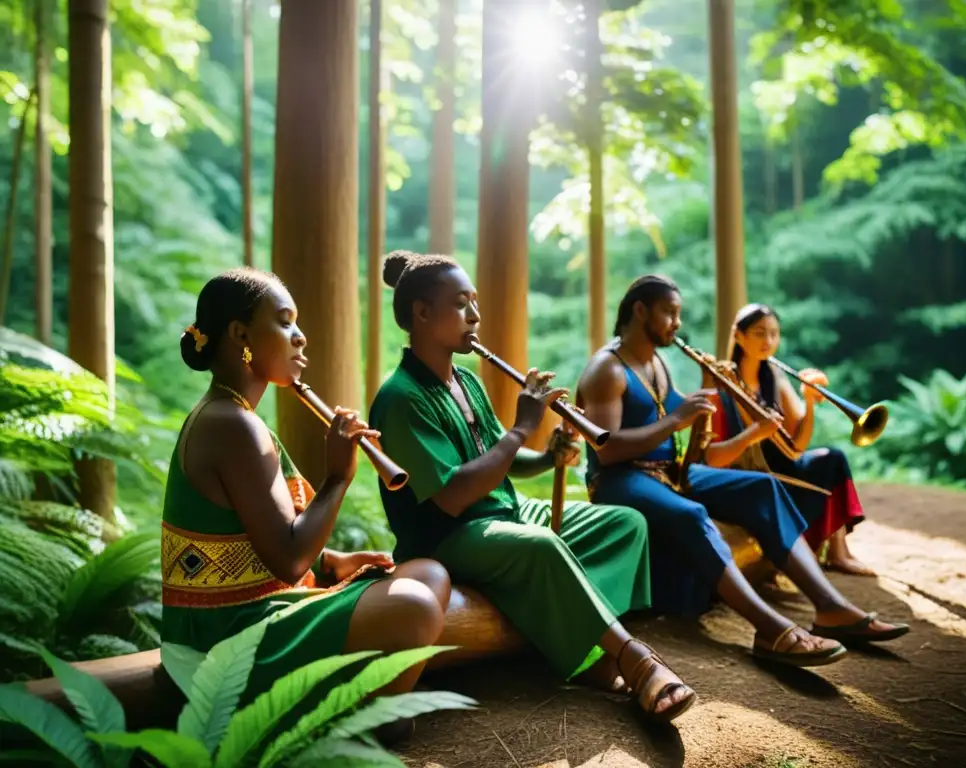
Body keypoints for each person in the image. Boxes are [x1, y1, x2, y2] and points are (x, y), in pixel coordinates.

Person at [368, 251, 696, 724]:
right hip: (450, 535)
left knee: (626, 525)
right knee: (541, 546)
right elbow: (453, 494)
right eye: (462, 304)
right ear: (421, 313)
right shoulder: (400, 398)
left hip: (505, 512)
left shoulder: (464, 380)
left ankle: (577, 643)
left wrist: (544, 455)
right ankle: (630, 658)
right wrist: (522, 428)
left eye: (475, 302)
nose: (476, 316)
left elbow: (495, 456)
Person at [164, 267, 451, 736]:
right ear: (241, 335)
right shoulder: (230, 425)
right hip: (226, 642)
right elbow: (288, 559)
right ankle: (357, 720)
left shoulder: (235, 416)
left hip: (259, 613)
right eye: (284, 321)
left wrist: (334, 560)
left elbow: (258, 536)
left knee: (429, 573)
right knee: (414, 607)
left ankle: (369, 707)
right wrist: (338, 477)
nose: (300, 337)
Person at [575, 275, 909, 667]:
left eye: (679, 314)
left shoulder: (655, 360)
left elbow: (671, 407)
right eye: (670, 313)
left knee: (764, 487)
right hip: (620, 479)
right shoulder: (607, 370)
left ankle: (831, 608)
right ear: (640, 310)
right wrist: (678, 419)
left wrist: (715, 395)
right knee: (693, 514)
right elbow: (608, 449)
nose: (677, 323)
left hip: (670, 471)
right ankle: (772, 630)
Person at [706, 302, 872, 575]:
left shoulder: (774, 375)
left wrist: (809, 401)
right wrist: (754, 432)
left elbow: (799, 445)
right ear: (739, 336)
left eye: (774, 333)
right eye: (760, 333)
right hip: (753, 471)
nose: (768, 341)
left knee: (832, 458)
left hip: (784, 466)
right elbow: (712, 453)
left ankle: (839, 553)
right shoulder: (723, 381)